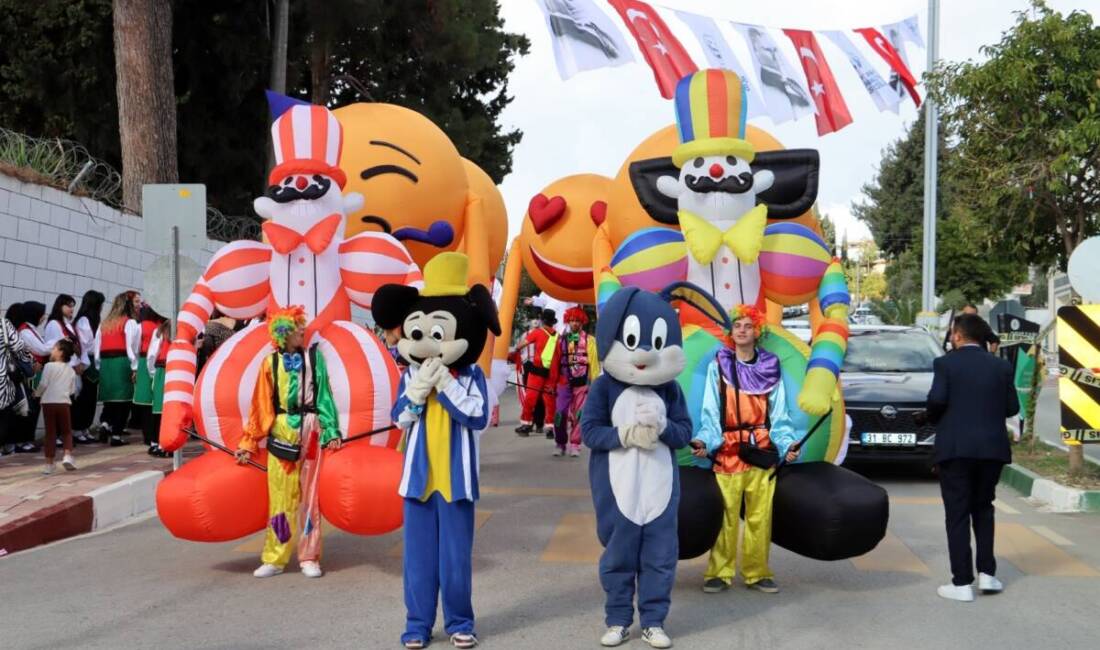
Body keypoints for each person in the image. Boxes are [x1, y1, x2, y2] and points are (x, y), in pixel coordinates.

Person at [371, 252, 501, 650]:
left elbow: (477, 416)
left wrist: (445, 386)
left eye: (437, 334)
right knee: (418, 561)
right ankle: (418, 624)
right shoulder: (410, 375)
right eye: (418, 334)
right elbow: (400, 420)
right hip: (418, 480)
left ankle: (461, 621)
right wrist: (416, 391)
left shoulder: (474, 376)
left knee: (456, 559)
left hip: (457, 480)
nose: (426, 343)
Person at [581, 287, 693, 649]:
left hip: (660, 488)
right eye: (632, 340)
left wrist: (662, 427)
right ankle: (617, 619)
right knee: (618, 555)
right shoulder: (604, 388)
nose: (644, 351)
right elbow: (590, 432)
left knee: (660, 557)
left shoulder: (670, 390)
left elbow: (684, 433)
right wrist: (625, 434)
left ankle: (654, 621)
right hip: (619, 489)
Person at [691, 305, 799, 595]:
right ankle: (718, 572)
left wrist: (788, 445)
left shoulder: (771, 365)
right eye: (737, 325)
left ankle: (757, 572)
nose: (741, 329)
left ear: (757, 330)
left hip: (761, 452)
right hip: (728, 451)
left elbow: (779, 415)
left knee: (760, 517)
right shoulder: (719, 365)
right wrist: (705, 441)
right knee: (725, 516)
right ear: (730, 332)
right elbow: (710, 413)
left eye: (748, 325)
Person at [235, 306, 341, 579]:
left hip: (311, 430)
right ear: (283, 332)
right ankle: (275, 558)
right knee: (280, 498)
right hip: (282, 430)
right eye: (297, 327)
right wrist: (248, 442)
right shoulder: (269, 363)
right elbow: (259, 406)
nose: (303, 330)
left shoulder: (314, 358)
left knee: (310, 497)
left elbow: (324, 396)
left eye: (302, 325)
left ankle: (309, 556)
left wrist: (330, 430)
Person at [926, 313, 1019, 602]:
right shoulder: (1001, 367)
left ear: (958, 335)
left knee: (957, 514)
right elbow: (1011, 407)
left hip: (955, 450)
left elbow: (937, 400)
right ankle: (988, 575)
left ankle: (961, 583)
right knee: (983, 509)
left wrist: (931, 417)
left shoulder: (945, 364)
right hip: (991, 450)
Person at [94, 291, 141, 446]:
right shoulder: (129, 323)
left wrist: (99, 365)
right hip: (122, 363)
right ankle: (116, 435)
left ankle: (105, 424)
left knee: (110, 400)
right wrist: (135, 367)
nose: (138, 306)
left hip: (106, 364)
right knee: (124, 401)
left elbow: (97, 347)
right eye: (135, 302)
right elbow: (132, 347)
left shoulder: (104, 324)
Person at [553, 306, 599, 457]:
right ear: (567, 321)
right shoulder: (561, 340)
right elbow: (554, 362)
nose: (574, 323)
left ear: (582, 322)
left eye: (577, 321)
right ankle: (560, 443)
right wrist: (551, 384)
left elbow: (594, 363)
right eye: (571, 320)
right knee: (559, 414)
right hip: (564, 382)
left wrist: (595, 385)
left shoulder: (590, 341)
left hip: (582, 383)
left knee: (579, 414)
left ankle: (575, 444)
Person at [514, 308, 559, 437]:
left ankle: (526, 425)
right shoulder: (557, 336)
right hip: (551, 372)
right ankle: (550, 429)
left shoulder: (537, 332)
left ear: (542, 320)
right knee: (550, 401)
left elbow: (521, 345)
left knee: (530, 398)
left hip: (537, 371)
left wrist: (516, 350)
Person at [35, 339, 78, 474]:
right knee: (66, 431)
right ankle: (67, 456)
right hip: (64, 403)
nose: (51, 351)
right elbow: (72, 390)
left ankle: (49, 464)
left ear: (60, 352)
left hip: (48, 403)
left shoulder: (48, 366)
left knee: (50, 433)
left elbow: (43, 384)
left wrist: (36, 394)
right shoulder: (71, 370)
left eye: (54, 348)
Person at [13, 301, 50, 453]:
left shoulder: (32, 329)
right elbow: (41, 350)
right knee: (30, 408)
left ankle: (28, 439)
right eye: (42, 314)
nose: (43, 317)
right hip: (31, 374)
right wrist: (59, 345)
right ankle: (22, 441)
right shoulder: (25, 331)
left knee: (34, 407)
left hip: (37, 372)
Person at [72, 291, 105, 444]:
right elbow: (87, 344)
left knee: (91, 396)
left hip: (93, 360)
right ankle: (78, 428)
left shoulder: (94, 321)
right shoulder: (84, 321)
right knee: (84, 396)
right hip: (86, 361)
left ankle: (85, 427)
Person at [0, 305, 33, 456]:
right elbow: (19, 347)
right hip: (2, 383)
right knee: (3, 416)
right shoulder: (4, 325)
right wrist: (29, 362)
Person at [132, 304, 165, 452]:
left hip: (149, 364)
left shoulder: (154, 328)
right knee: (157, 405)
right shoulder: (163, 328)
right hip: (157, 366)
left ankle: (151, 439)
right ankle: (160, 440)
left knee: (150, 405)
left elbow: (137, 347)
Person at [141, 310, 172, 457]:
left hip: (161, 370)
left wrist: (153, 373)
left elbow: (152, 355)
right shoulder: (185, 329)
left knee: (159, 409)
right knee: (171, 409)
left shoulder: (160, 330)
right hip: (175, 370)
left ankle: (156, 443)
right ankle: (166, 444)